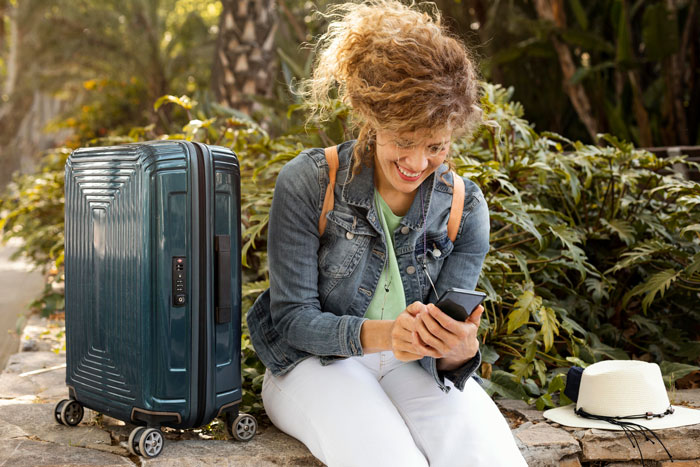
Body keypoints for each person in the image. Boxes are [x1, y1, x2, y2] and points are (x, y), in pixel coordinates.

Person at [246, 1, 527, 465]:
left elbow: (448, 353)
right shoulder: (310, 183)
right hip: (313, 366)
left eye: (436, 146)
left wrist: (460, 350)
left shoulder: (464, 206)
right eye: (403, 141)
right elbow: (293, 322)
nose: (417, 164)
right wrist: (385, 335)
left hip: (413, 368)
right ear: (369, 116)